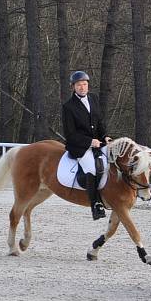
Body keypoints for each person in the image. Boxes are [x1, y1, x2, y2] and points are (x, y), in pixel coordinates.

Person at [62, 70, 111, 220]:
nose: (82, 87)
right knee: (91, 168)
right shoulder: (68, 107)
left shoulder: (94, 99)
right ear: (73, 87)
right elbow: (70, 134)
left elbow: (99, 122)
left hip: (98, 142)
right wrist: (90, 142)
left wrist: (105, 136)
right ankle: (95, 205)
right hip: (79, 146)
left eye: (84, 84)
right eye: (79, 85)